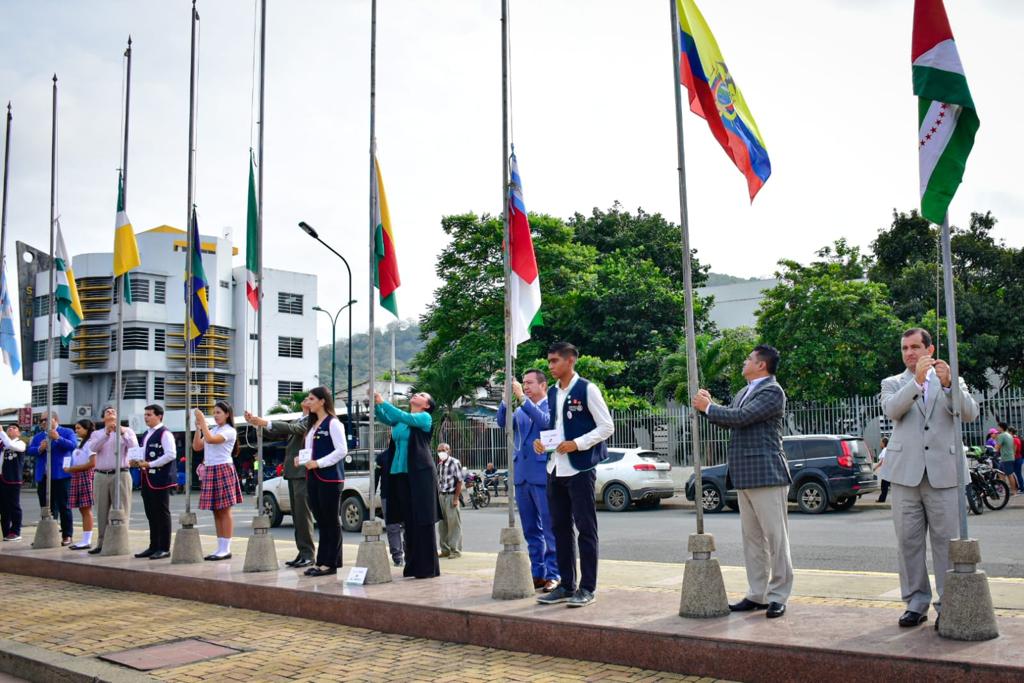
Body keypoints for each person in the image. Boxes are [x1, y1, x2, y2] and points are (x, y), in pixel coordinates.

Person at [878, 328, 979, 630]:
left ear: (929, 349)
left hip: (944, 472)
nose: (909, 353)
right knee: (908, 543)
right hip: (904, 474)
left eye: (915, 347)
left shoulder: (953, 378)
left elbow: (970, 413)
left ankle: (947, 603)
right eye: (904, 348)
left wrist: (948, 385)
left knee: (946, 543)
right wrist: (917, 382)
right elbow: (892, 410)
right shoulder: (893, 383)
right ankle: (916, 602)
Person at [693, 344, 793, 620]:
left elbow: (741, 417)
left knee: (776, 538)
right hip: (744, 474)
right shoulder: (743, 392)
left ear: (761, 365)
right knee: (752, 540)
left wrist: (709, 406)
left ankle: (778, 595)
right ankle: (757, 593)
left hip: (767, 474)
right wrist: (707, 408)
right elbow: (730, 421)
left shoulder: (772, 391)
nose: (744, 362)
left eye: (748, 359)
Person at [533, 342, 614, 609]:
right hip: (554, 467)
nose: (550, 365)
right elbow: (554, 425)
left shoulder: (587, 389)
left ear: (570, 361)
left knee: (586, 529)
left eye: (554, 361)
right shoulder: (554, 392)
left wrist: (577, 443)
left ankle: (587, 587)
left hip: (579, 468)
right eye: (549, 361)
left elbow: (606, 427)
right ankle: (567, 585)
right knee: (559, 528)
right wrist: (542, 443)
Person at [496, 370, 559, 592]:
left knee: (550, 527)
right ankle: (537, 573)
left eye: (530, 383)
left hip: (542, 474)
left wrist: (521, 397)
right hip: (522, 475)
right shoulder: (522, 409)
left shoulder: (549, 406)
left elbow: (544, 423)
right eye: (523, 383)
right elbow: (503, 422)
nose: (526, 386)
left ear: (543, 385)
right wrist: (506, 398)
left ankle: (555, 574)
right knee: (531, 529)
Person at [375, 390, 440, 579]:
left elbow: (400, 415)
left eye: (421, 395)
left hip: (420, 474)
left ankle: (428, 568)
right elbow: (386, 418)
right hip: (400, 474)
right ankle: (412, 566)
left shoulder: (424, 418)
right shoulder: (401, 420)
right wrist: (377, 405)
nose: (416, 395)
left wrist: (383, 401)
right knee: (409, 520)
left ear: (427, 404)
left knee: (423, 520)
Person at [245, 401, 316, 569]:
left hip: (302, 472)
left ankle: (308, 553)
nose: (306, 400)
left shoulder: (310, 421)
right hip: (293, 471)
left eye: (310, 398)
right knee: (297, 515)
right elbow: (279, 434)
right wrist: (257, 424)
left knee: (303, 514)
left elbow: (293, 430)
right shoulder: (298, 419)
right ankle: (302, 551)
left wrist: (266, 422)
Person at [297, 386, 347, 577]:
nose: (307, 402)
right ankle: (321, 561)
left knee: (330, 520)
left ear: (322, 401)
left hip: (330, 478)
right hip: (313, 478)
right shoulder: (313, 425)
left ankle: (331, 563)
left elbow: (341, 450)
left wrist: (318, 463)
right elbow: (310, 450)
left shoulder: (333, 423)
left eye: (311, 399)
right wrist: (302, 459)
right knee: (321, 520)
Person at [82, 407, 137, 555]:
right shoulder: (97, 433)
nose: (111, 413)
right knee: (101, 510)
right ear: (103, 418)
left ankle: (121, 541)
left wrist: (121, 432)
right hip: (101, 474)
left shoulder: (127, 430)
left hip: (121, 473)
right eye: (107, 412)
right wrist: (106, 434)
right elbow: (93, 447)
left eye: (113, 411)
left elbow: (133, 446)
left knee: (123, 509)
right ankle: (101, 542)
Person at [194, 401, 243, 561]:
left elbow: (210, 440)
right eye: (214, 413)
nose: (215, 416)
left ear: (227, 414)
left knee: (224, 510)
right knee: (215, 510)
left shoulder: (229, 431)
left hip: (222, 468)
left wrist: (203, 422)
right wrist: (198, 428)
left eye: (218, 412)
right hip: (211, 468)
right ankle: (220, 547)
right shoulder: (214, 429)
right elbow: (197, 446)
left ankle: (226, 548)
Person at [132, 404, 177, 560]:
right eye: (145, 414)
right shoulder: (146, 433)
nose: (146, 417)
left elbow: (171, 454)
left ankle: (164, 547)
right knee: (151, 513)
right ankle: (153, 546)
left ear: (160, 416)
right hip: (147, 477)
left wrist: (150, 464)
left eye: (149, 414)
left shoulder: (165, 433)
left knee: (162, 513)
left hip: (160, 478)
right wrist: (136, 461)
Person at [27, 412, 76, 546]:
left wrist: (58, 438)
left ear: (55, 419)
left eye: (45, 419)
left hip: (61, 475)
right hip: (43, 476)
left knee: (63, 506)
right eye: (41, 420)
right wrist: (39, 448)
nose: (42, 422)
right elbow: (29, 450)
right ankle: (48, 532)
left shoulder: (66, 431)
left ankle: (67, 535)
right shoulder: (38, 436)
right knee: (46, 506)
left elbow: (72, 445)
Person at [65, 419, 97, 550]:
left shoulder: (90, 443)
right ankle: (84, 539)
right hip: (78, 475)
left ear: (87, 429)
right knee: (82, 508)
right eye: (76, 428)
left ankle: (87, 540)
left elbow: (92, 463)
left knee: (86, 508)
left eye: (79, 428)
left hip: (85, 475)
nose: (76, 430)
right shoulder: (82, 443)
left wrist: (73, 469)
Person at [374, 449, 404, 566]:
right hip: (387, 496)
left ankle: (410, 552)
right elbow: (375, 476)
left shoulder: (407, 454)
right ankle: (397, 556)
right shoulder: (381, 457)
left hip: (405, 497)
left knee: (409, 526)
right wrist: (372, 493)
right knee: (392, 527)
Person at [435, 443, 463, 559]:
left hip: (451, 496)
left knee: (453, 524)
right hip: (442, 496)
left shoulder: (454, 463)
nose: (441, 452)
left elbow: (459, 481)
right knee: (442, 525)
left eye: (444, 450)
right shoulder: (440, 465)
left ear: (449, 451)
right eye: (439, 450)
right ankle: (445, 549)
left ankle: (455, 550)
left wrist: (456, 498)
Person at [0, 424, 27, 541]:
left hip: (13, 479)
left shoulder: (20, 443)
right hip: (1, 478)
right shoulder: (2, 444)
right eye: (8, 428)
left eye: (14, 428)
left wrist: (2, 432)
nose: (10, 429)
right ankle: (6, 532)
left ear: (19, 433)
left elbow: (11, 445)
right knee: (3, 507)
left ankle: (16, 531)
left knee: (14, 506)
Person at [995, 423, 1018, 494]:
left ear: (1001, 428)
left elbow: (997, 447)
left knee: (1009, 474)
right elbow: (1014, 446)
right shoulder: (1009, 435)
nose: (997, 428)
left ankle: (1013, 491)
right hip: (1009, 457)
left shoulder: (1001, 435)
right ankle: (1006, 489)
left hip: (1006, 458)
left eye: (998, 427)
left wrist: (994, 450)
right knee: (1000, 472)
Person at [875, 436, 890, 503]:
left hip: (886, 471)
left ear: (884, 443)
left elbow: (882, 461)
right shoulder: (887, 450)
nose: (880, 443)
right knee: (885, 485)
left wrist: (875, 468)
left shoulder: (885, 450)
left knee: (884, 486)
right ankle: (882, 499)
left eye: (881, 442)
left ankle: (882, 499)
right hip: (887, 470)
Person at [1012, 427, 1024, 496]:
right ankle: (1021, 488)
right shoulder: (1018, 439)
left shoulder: (1015, 440)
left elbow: (1015, 450)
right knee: (1018, 474)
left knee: (1018, 474)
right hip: (1019, 458)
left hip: (1017, 458)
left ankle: (1022, 488)